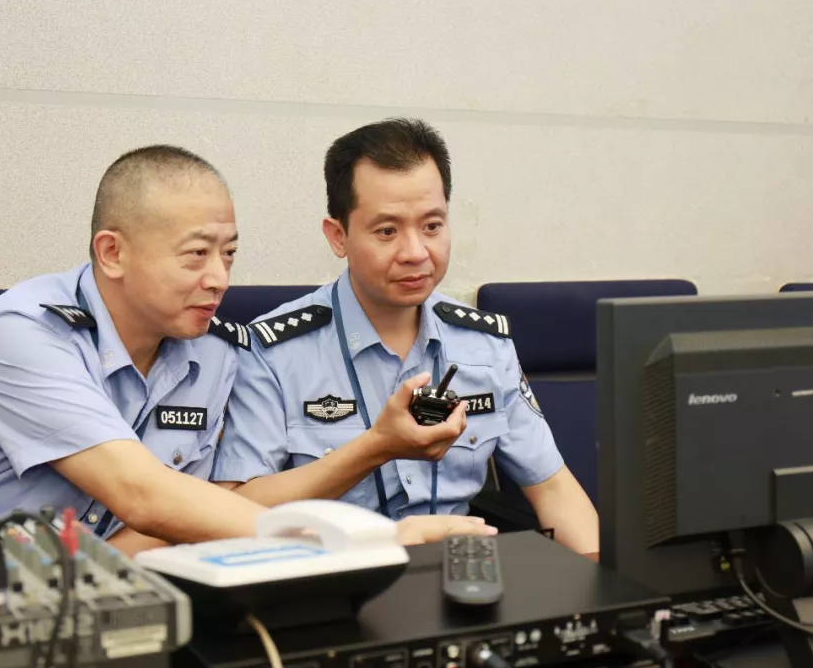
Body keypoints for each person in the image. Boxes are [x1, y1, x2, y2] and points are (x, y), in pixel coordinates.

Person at [0, 144, 494, 554]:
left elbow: (179, 519)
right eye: (196, 254)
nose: (219, 278)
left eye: (229, 254)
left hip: (74, 592)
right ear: (112, 253)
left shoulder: (214, 353)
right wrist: (363, 543)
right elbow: (142, 495)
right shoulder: (28, 334)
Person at [212, 119, 599, 555]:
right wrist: (375, 448)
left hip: (459, 574)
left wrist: (600, 587)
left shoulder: (484, 344)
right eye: (387, 231)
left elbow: (554, 490)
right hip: (332, 576)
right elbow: (235, 510)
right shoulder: (273, 351)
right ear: (338, 236)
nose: (416, 253)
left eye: (432, 226)